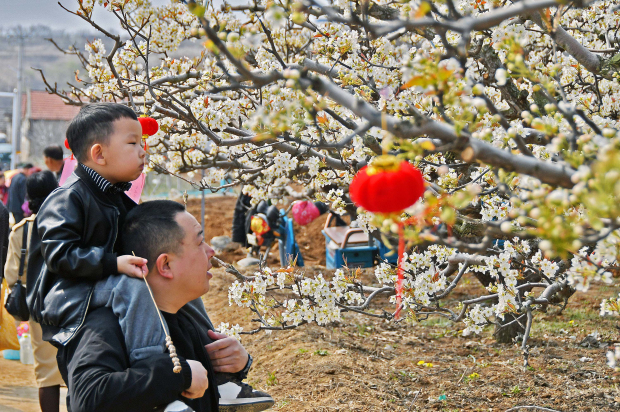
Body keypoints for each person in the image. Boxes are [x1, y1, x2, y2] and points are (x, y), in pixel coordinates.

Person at [27, 103, 270, 411]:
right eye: (133, 144)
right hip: (73, 293)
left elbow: (141, 239)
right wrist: (112, 263)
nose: (143, 152)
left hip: (105, 282)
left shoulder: (118, 198)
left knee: (186, 294)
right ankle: (157, 367)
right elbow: (59, 255)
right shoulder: (67, 198)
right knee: (132, 286)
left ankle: (224, 379)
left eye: (142, 144)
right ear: (99, 154)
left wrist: (236, 360)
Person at [57, 200, 274, 412]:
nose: (211, 251)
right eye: (199, 242)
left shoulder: (186, 318)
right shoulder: (107, 326)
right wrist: (178, 375)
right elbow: (87, 398)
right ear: (166, 265)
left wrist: (236, 364)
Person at [4, 171, 62, 412]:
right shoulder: (68, 224)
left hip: (38, 308)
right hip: (74, 304)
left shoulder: (21, 231)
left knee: (47, 375)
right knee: (77, 372)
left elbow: (10, 275)